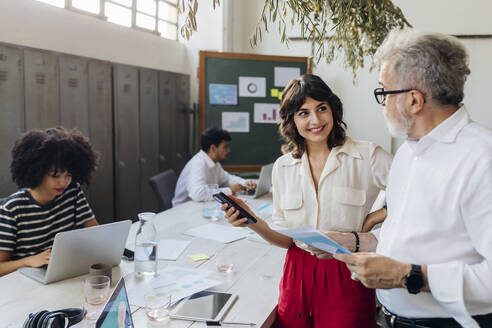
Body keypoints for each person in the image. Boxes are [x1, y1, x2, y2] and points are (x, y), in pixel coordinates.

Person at [331, 30, 492, 327]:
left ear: (414, 100)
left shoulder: (483, 158)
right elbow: (403, 239)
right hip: (389, 320)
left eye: (383, 92)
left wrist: (408, 276)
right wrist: (352, 241)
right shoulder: (407, 153)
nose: (382, 104)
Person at [223, 74, 392, 328]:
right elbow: (288, 240)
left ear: (333, 110)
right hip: (296, 273)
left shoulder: (367, 155)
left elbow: (415, 197)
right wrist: (251, 220)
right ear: (292, 120)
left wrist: (374, 219)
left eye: (321, 108)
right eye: (303, 113)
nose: (315, 120)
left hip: (346, 272)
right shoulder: (283, 167)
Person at [0, 127, 99, 277]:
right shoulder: (11, 210)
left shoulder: (73, 192)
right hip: (26, 282)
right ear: (37, 171)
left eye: (68, 175)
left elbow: (97, 234)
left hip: (63, 273)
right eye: (55, 175)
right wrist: (30, 261)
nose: (63, 182)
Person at [172, 127, 256, 206]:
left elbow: (227, 179)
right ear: (213, 148)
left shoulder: (214, 162)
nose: (228, 150)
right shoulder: (199, 163)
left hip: (200, 206)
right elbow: (198, 194)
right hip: (183, 210)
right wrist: (230, 190)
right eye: (225, 147)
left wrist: (245, 183)